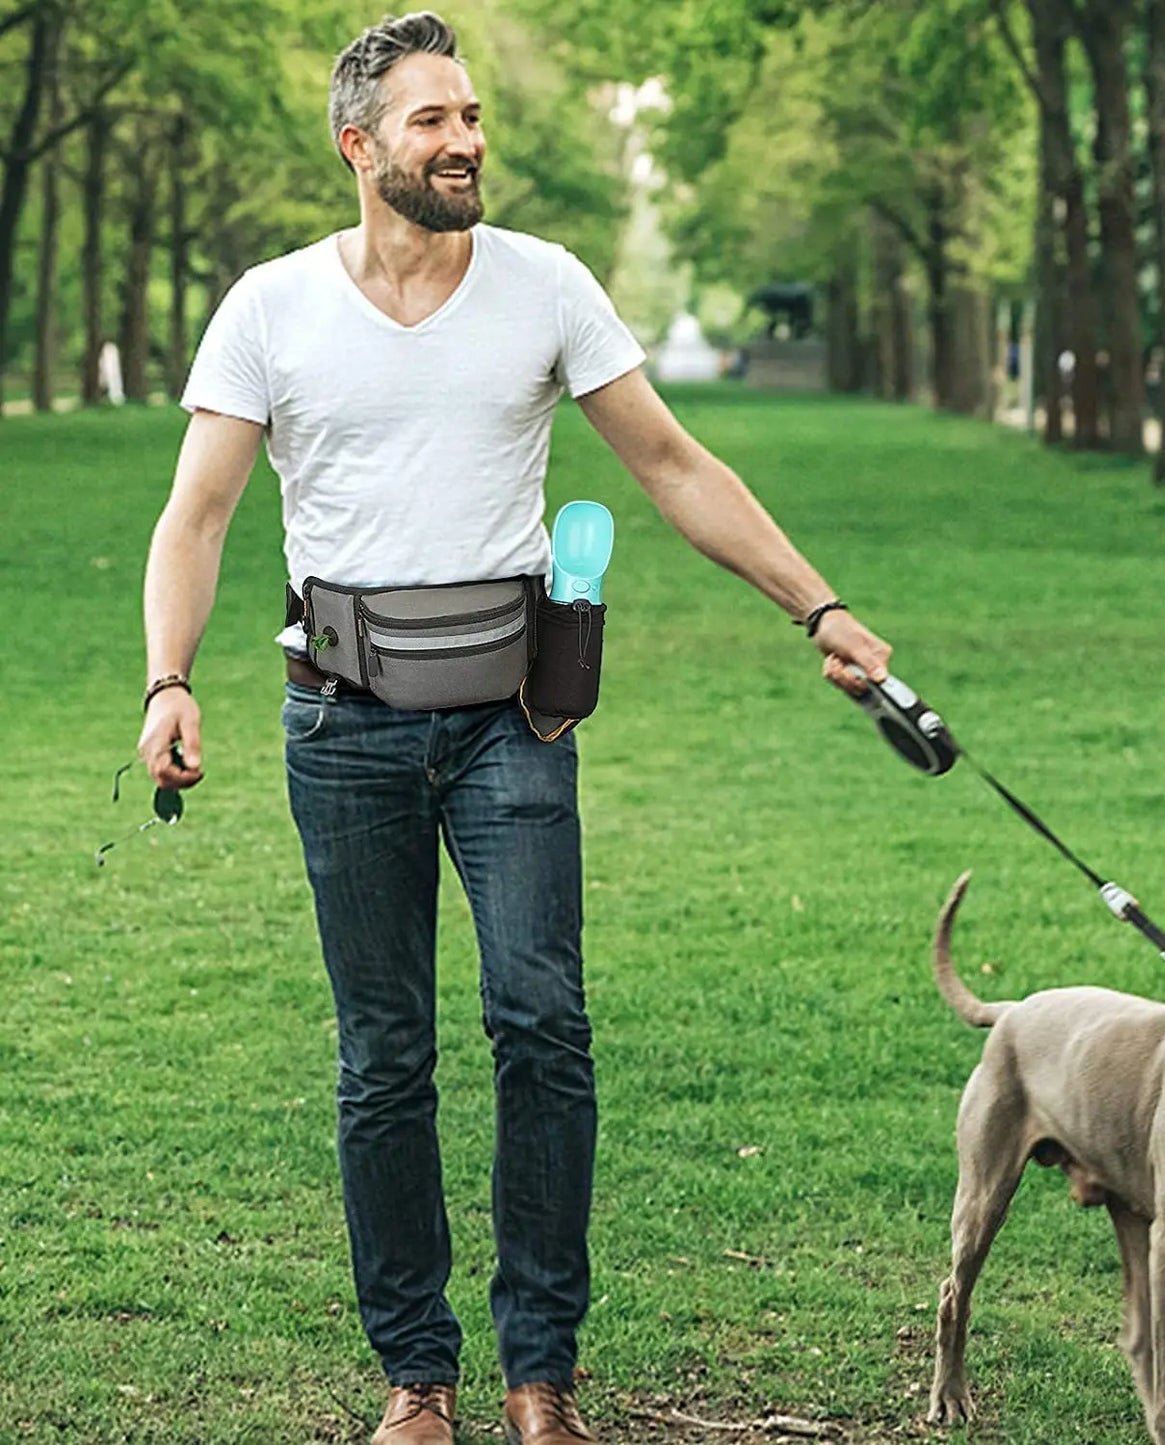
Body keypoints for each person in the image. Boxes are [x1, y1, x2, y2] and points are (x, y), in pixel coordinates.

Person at [136, 13, 892, 1445]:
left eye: (472, 115)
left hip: (512, 723)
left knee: (542, 1022)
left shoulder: (545, 288)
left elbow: (669, 461)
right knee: (384, 1053)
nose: (466, 139)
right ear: (360, 147)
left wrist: (817, 606)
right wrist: (168, 679)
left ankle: (540, 1370)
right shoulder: (271, 306)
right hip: (342, 723)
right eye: (432, 121)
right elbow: (200, 512)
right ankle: (417, 1376)